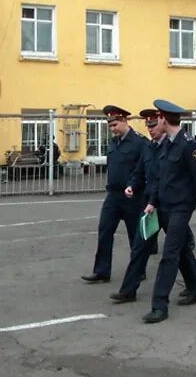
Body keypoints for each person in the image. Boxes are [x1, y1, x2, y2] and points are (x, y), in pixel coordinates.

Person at [110, 108, 196, 304]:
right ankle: (128, 289)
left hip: (167, 204)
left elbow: (166, 178)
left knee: (178, 250)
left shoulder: (175, 146)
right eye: (148, 126)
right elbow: (140, 172)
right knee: (140, 247)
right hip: (150, 206)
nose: (150, 129)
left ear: (163, 123)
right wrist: (132, 185)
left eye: (154, 125)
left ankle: (195, 287)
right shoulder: (149, 147)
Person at [141, 99, 196, 324]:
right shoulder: (166, 144)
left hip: (181, 207)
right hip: (164, 205)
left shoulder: (188, 145)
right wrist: (152, 201)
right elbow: (159, 177)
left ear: (164, 119)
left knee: (170, 253)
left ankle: (159, 305)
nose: (154, 123)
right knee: (181, 250)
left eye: (157, 119)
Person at [81, 105, 147, 284]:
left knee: (135, 235)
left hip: (132, 196)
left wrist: (134, 186)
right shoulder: (114, 142)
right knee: (104, 230)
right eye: (110, 126)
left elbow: (143, 169)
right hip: (113, 195)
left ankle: (138, 269)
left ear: (125, 121)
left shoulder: (140, 142)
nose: (112, 129)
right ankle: (102, 271)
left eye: (115, 125)